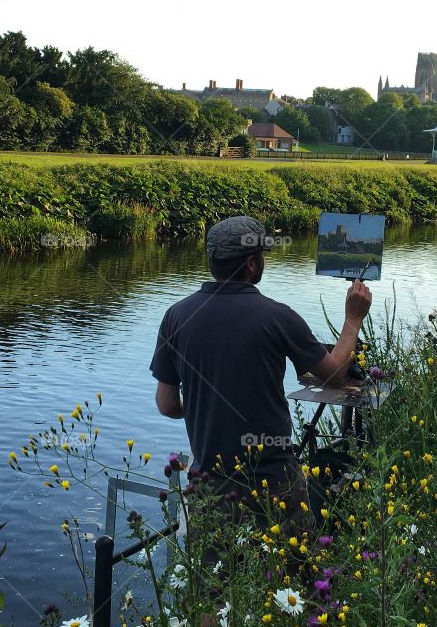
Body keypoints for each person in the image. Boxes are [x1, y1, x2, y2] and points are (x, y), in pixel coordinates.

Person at [150, 215, 372, 538]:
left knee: (216, 587)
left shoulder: (176, 317)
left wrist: (208, 402)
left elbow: (167, 403)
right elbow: (336, 376)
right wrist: (353, 318)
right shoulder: (278, 317)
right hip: (274, 488)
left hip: (208, 492)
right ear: (252, 265)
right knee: (289, 582)